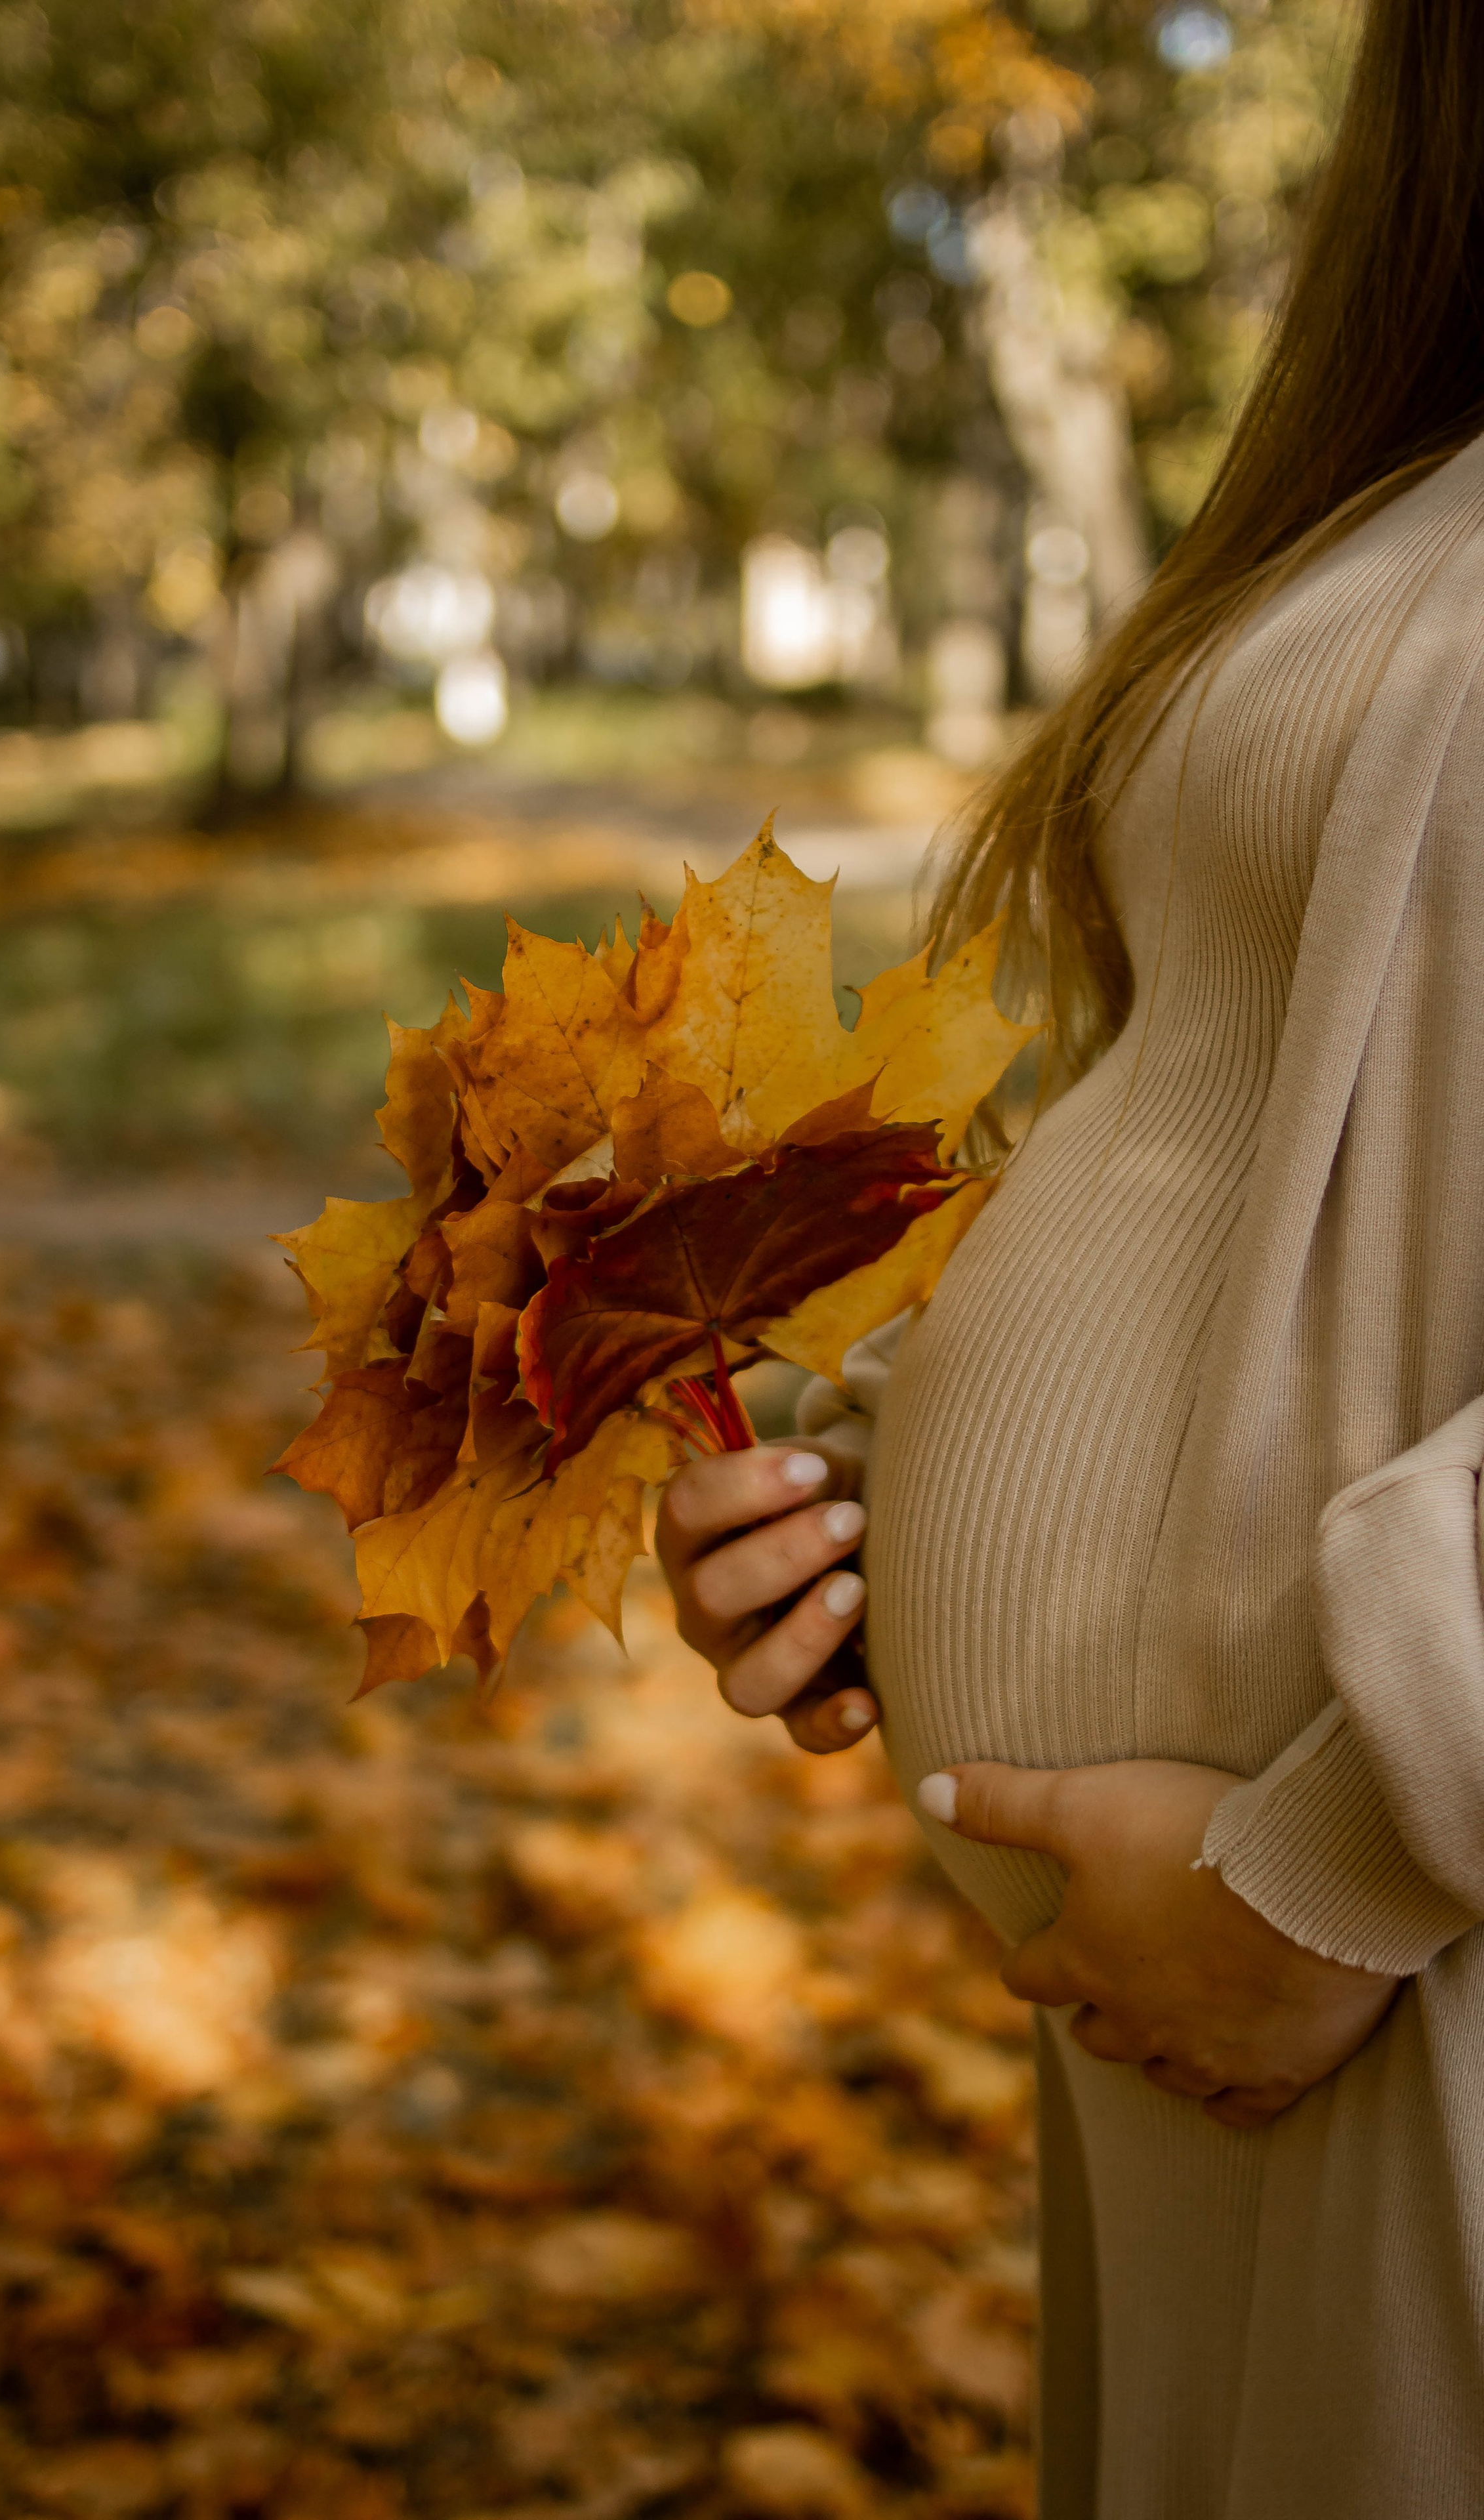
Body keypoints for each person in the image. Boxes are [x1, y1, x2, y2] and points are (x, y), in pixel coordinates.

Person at [655, 6, 1484, 2513]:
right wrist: (872, 1484)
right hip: (1242, 1986)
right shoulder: (1415, 469)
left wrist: (1340, 1868)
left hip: (1392, 1954)